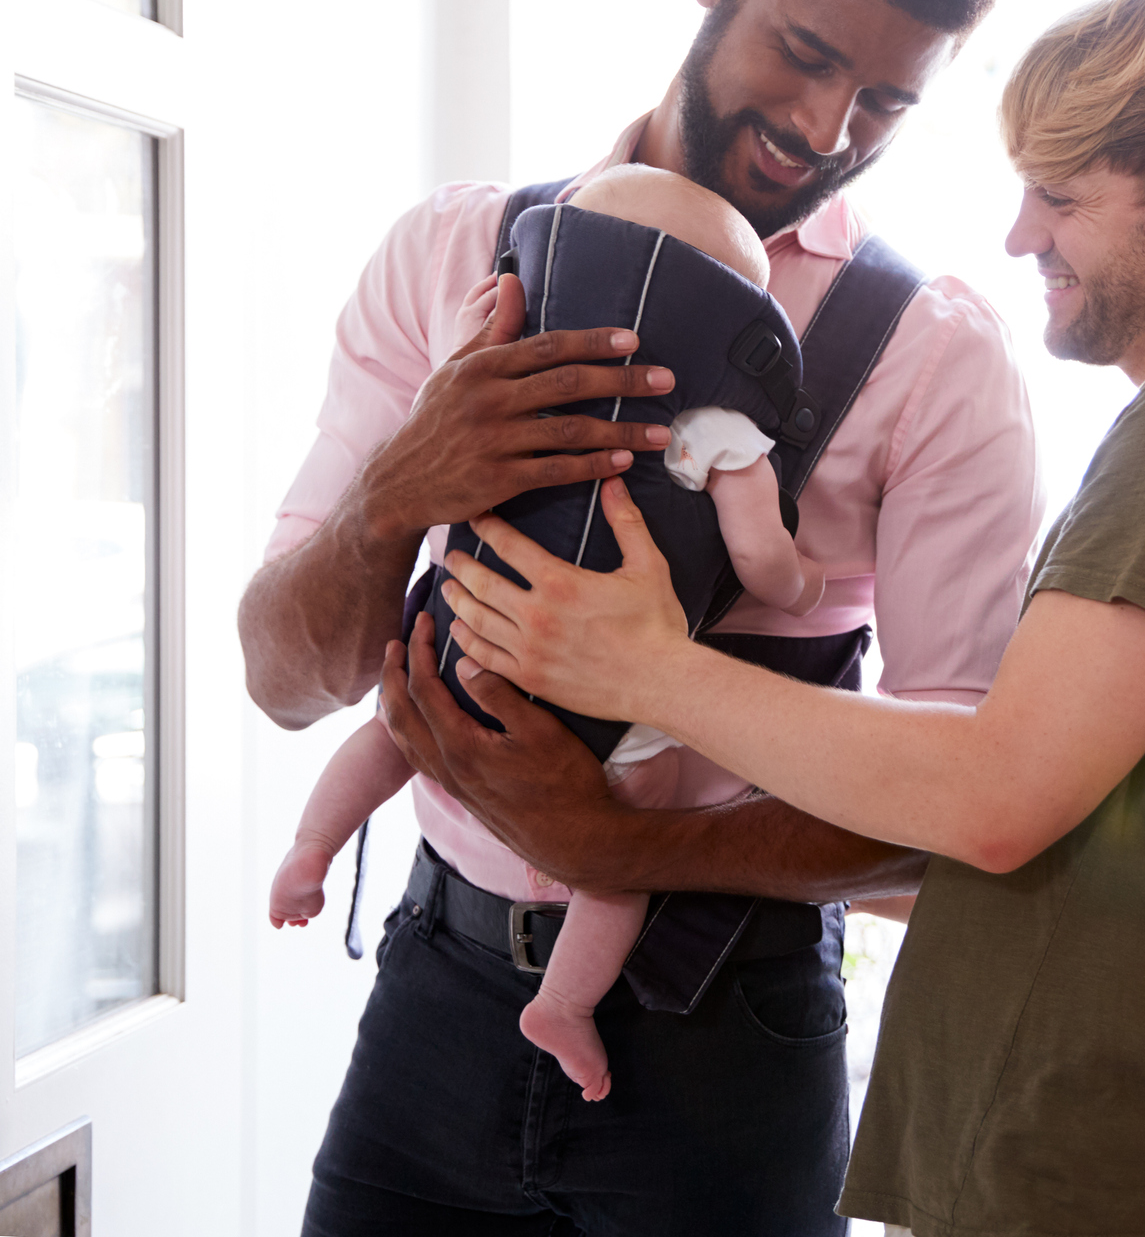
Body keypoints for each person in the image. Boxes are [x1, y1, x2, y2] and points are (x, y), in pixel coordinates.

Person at [391, 0, 1145, 1237]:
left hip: (1086, 1181)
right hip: (1057, 1161)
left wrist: (648, 672)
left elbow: (991, 795)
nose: (1023, 235)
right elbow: (1051, 820)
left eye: (1063, 197)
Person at [238, 0, 1036, 1231]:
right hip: (430, 1000)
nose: (823, 130)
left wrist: (629, 845)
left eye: (884, 103)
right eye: (803, 50)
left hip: (731, 1042)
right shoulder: (449, 255)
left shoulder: (936, 359)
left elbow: (960, 821)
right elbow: (283, 676)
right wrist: (398, 491)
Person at [268, 164, 821, 1104]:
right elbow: (766, 563)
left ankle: (311, 849)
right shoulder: (716, 428)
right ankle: (565, 1005)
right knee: (622, 844)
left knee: (394, 731)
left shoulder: (492, 357)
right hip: (607, 706)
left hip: (464, 635)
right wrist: (800, 583)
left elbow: (436, 413)